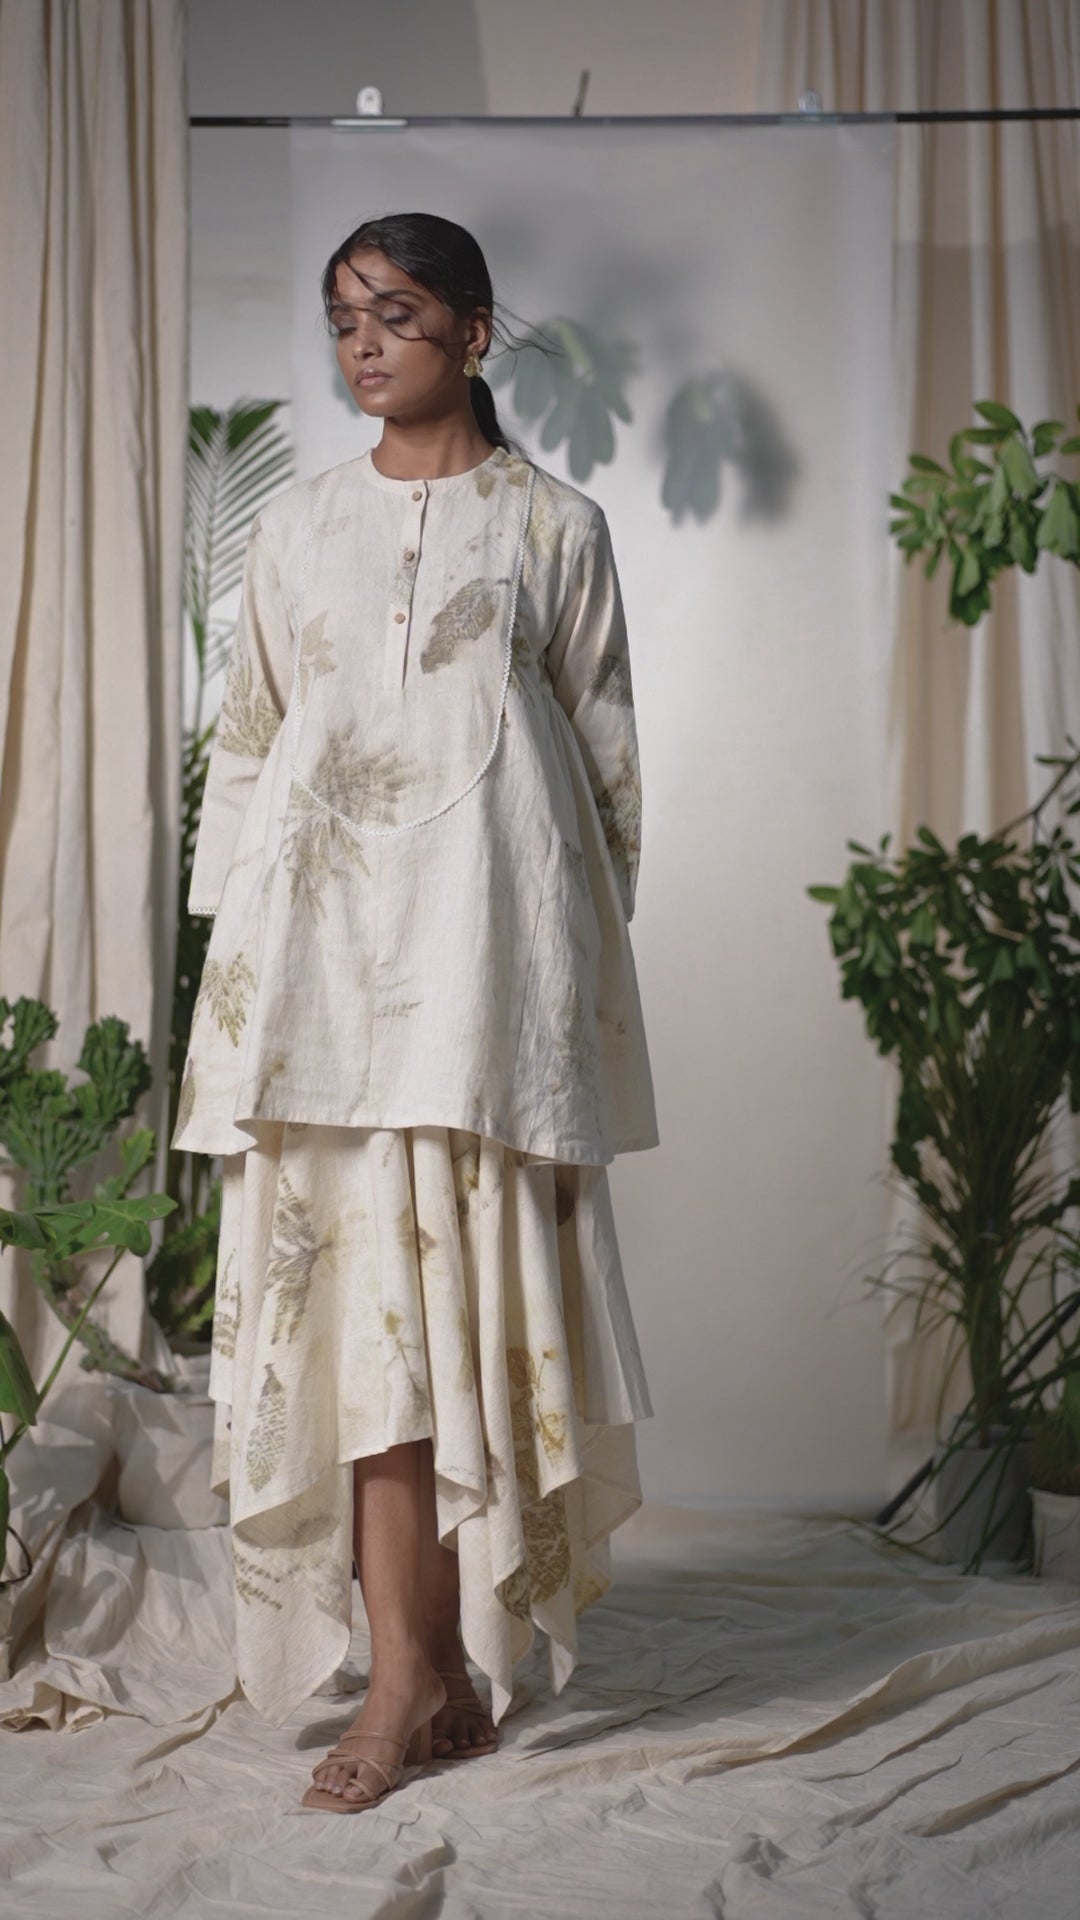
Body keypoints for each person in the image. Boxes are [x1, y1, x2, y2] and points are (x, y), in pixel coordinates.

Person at [172, 211, 659, 1813]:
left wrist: (568, 989)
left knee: (468, 1317)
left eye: (392, 312)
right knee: (360, 1317)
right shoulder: (299, 526)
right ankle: (403, 1672)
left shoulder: (556, 526)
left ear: (473, 328)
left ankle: (439, 1662)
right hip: (320, 989)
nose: (362, 343)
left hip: (484, 985)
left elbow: (604, 773)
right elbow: (250, 744)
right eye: (341, 319)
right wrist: (235, 983)